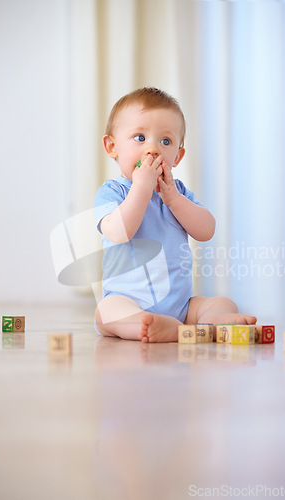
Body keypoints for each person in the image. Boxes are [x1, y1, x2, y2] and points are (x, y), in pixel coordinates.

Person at [94, 87, 256, 342]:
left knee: (223, 302)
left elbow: (206, 230)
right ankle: (159, 327)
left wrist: (173, 200)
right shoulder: (112, 192)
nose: (153, 149)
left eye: (165, 141)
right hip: (128, 302)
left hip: (180, 307)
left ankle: (204, 323)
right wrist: (141, 189)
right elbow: (119, 233)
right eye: (139, 137)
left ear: (177, 156)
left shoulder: (178, 193)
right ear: (112, 146)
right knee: (106, 313)